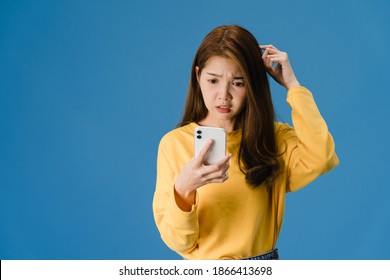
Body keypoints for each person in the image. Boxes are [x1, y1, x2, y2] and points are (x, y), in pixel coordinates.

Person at [152, 25, 339, 260]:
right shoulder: (174, 144)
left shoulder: (273, 138)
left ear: (252, 85)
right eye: (213, 80)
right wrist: (183, 189)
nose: (223, 95)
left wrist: (294, 87)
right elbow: (179, 242)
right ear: (198, 76)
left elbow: (321, 158)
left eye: (238, 83)